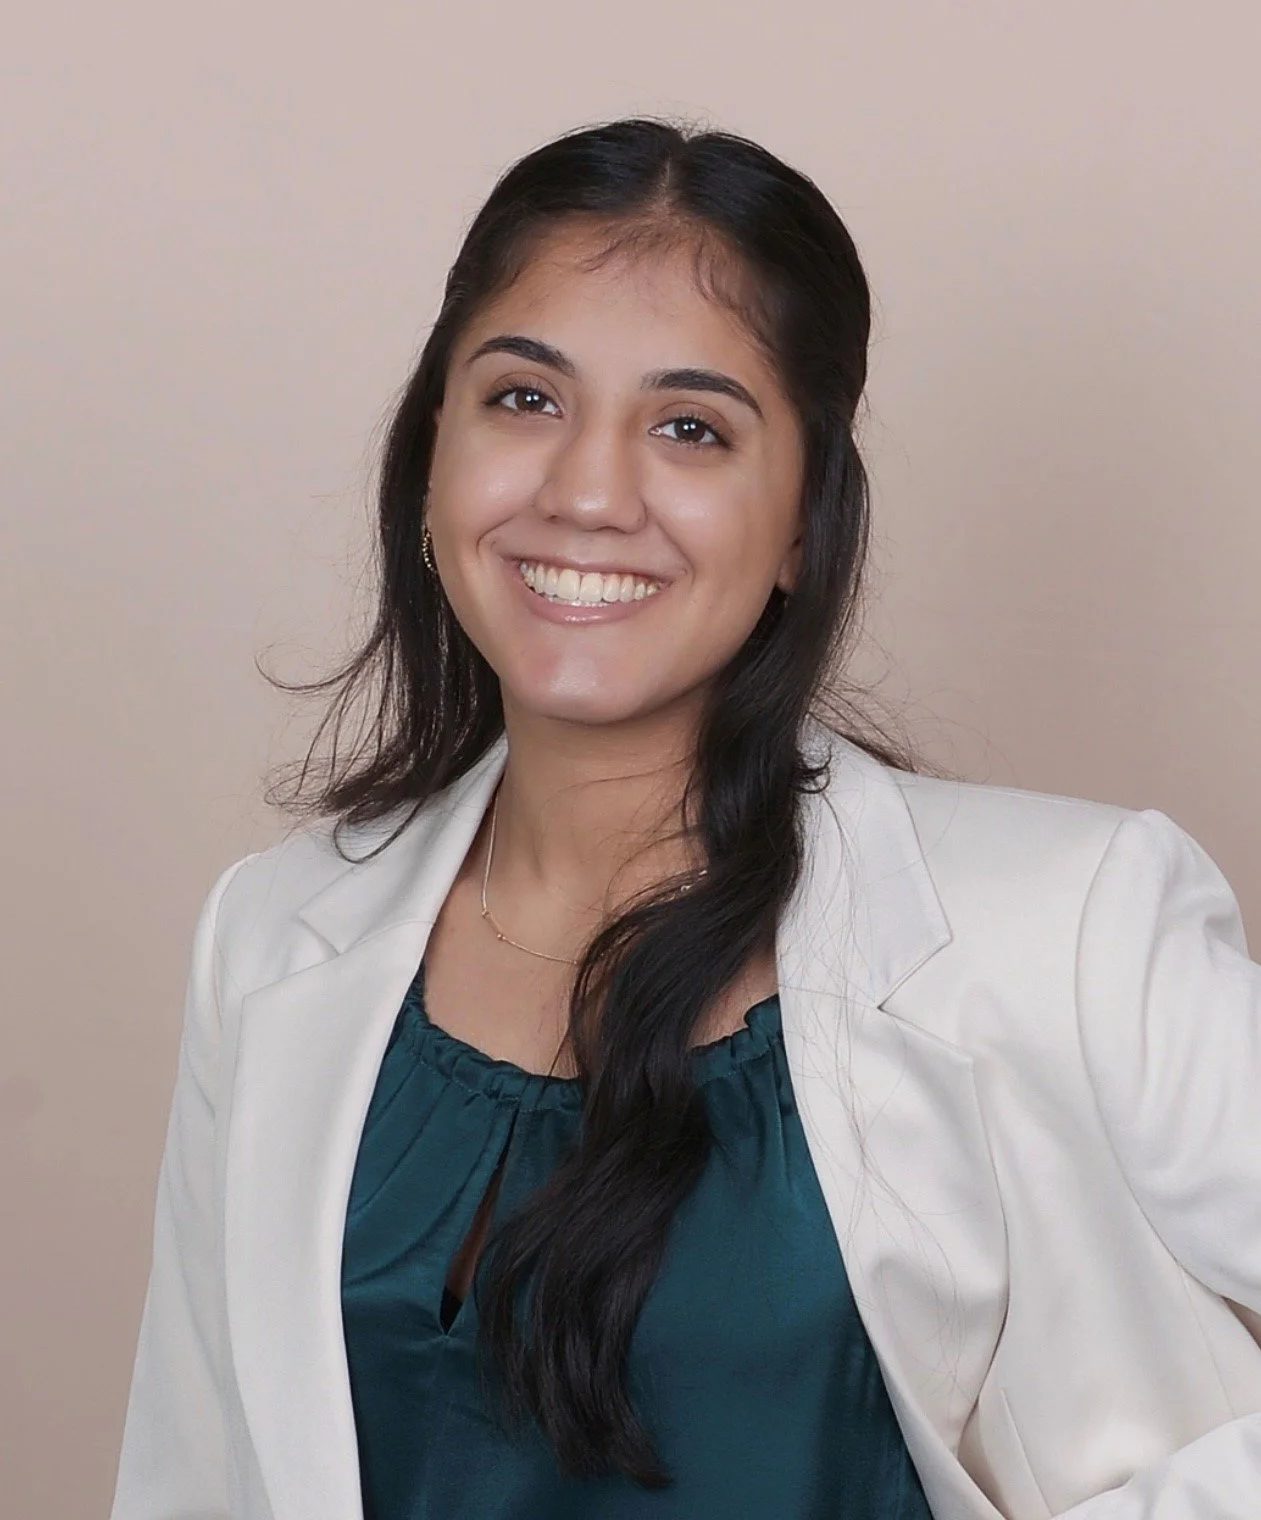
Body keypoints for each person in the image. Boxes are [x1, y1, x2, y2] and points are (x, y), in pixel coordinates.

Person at [109, 117, 1261, 1520]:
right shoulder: (273, 934)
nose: (589, 492)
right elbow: (196, 1475)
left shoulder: (1072, 928)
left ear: (800, 526)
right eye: (525, 401)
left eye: (689, 428)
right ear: (431, 459)